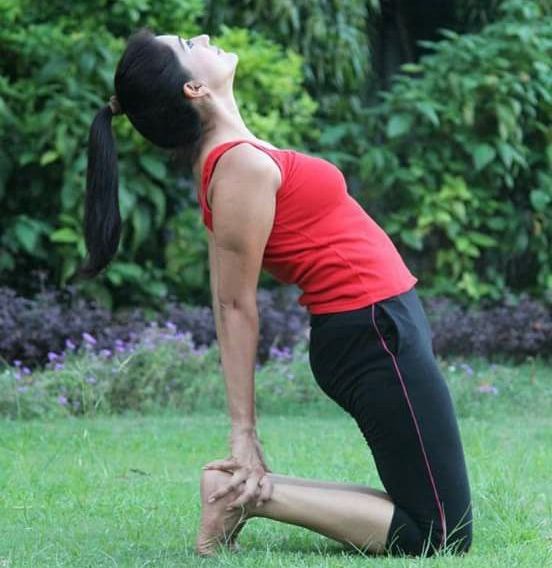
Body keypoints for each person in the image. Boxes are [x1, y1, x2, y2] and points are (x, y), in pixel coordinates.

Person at [79, 28, 473, 558]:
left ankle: (244, 494)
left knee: (428, 509)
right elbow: (233, 303)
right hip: (371, 331)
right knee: (440, 534)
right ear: (192, 88)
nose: (202, 35)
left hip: (379, 323)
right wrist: (244, 430)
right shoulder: (237, 165)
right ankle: (245, 496)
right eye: (186, 44)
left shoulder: (235, 153)